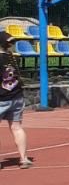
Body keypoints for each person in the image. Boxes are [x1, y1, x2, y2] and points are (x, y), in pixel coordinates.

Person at [0, 33, 33, 168]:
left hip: (2, 98)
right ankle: (24, 159)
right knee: (17, 127)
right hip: (16, 96)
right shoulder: (12, 57)